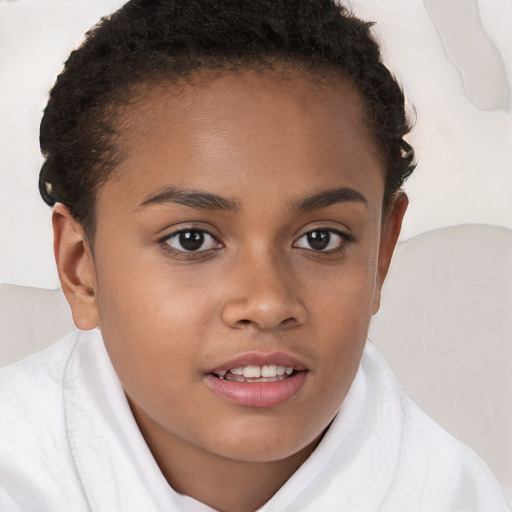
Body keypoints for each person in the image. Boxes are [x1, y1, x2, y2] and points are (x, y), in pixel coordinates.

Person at [0, 0, 508, 511]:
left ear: (381, 253)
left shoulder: (457, 496)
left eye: (320, 239)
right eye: (191, 239)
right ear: (79, 267)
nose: (267, 303)